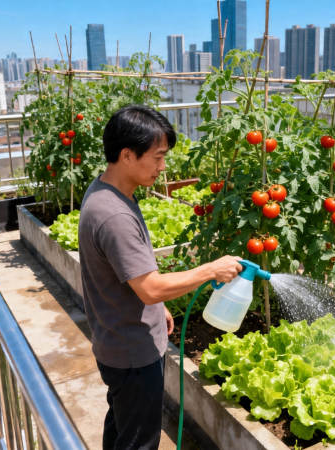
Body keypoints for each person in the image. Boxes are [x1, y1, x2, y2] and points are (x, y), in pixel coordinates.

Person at [78, 104, 242, 450]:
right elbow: (150, 288)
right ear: (127, 155)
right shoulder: (114, 215)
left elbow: (133, 280)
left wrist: (157, 308)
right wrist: (211, 270)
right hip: (132, 353)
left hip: (117, 339)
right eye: (157, 157)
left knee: (121, 424)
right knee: (139, 440)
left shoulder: (105, 192)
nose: (163, 167)